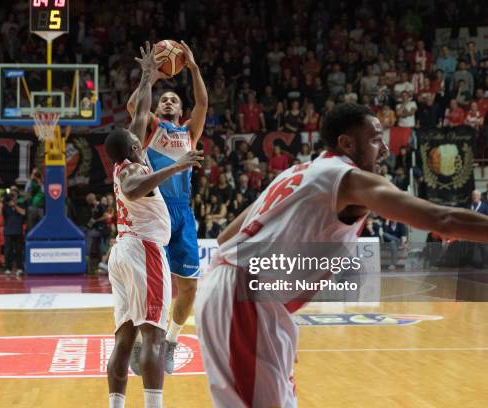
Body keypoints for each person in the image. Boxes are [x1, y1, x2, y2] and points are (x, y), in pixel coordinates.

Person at [195, 103, 488, 408]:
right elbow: (442, 220)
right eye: (376, 139)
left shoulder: (298, 172)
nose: (386, 148)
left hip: (235, 292)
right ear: (347, 143)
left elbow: (226, 236)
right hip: (247, 297)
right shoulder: (348, 178)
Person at [105, 42, 203, 408]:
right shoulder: (132, 169)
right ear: (132, 147)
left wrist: (148, 73)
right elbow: (132, 190)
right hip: (143, 251)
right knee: (154, 337)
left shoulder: (129, 156)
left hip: (123, 251)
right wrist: (178, 166)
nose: (140, 132)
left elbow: (142, 107)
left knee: (125, 340)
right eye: (135, 137)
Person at [126, 40, 208, 374]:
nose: (170, 101)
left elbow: (202, 102)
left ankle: (172, 341)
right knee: (146, 284)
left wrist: (192, 66)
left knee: (188, 286)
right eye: (164, 100)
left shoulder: (190, 131)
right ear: (158, 110)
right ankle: (142, 342)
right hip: (153, 209)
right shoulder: (152, 128)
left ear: (180, 109)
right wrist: (153, 77)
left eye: (174, 99)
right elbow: (135, 107)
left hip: (182, 213)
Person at [2, 193, 26, 276]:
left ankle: (19, 268)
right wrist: (7, 204)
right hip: (8, 232)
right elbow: (0, 214)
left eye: (14, 198)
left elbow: (23, 213)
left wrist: (15, 206)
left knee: (19, 250)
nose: (13, 200)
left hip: (18, 231)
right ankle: (8, 268)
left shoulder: (21, 205)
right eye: (11, 199)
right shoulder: (5, 207)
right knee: (8, 251)